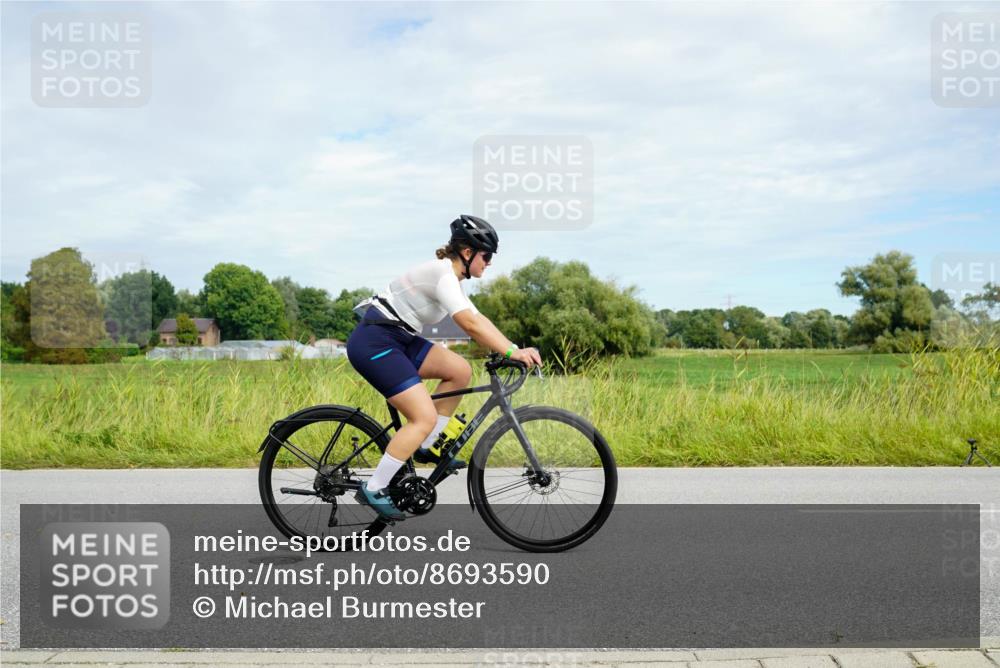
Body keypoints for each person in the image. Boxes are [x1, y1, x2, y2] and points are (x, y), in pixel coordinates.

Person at [346, 215, 542, 521]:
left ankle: (427, 446)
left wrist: (512, 348)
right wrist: (511, 352)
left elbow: (479, 319)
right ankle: (375, 486)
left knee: (459, 370)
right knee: (422, 416)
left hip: (400, 338)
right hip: (375, 341)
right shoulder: (443, 275)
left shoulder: (453, 282)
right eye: (486, 256)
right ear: (468, 253)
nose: (489, 263)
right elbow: (468, 324)